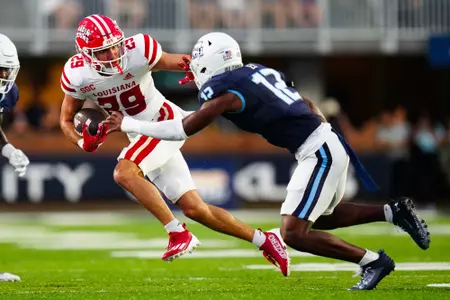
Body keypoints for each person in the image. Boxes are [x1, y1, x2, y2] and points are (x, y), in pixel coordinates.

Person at [106, 32, 431, 290]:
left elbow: (183, 128)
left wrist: (128, 124)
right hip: (322, 142)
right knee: (318, 219)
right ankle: (392, 211)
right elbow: (302, 98)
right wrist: (316, 127)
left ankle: (372, 261)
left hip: (318, 150)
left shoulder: (226, 91)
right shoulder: (257, 72)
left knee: (292, 232)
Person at [59, 16, 289, 275]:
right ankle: (266, 240)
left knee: (124, 172)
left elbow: (180, 62)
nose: (114, 53)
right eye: (103, 50)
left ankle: (177, 233)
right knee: (195, 209)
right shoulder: (77, 74)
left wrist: (201, 70)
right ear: (87, 54)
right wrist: (82, 142)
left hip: (163, 121)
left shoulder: (138, 50)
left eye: (116, 45)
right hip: (139, 135)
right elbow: (66, 119)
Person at [0, 33, 29, 283]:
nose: (5, 78)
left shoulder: (8, 92)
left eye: (7, 71)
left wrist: (9, 149)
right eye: (0, 71)